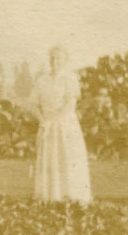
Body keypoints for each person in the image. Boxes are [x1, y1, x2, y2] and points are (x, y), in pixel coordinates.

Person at [30, 46, 92, 206]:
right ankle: (49, 197)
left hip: (65, 125)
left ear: (65, 61)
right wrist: (43, 120)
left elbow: (70, 104)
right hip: (47, 124)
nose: (55, 61)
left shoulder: (69, 78)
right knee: (48, 158)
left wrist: (52, 122)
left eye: (59, 58)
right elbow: (33, 104)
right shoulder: (42, 80)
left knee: (66, 158)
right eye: (52, 58)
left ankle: (70, 196)